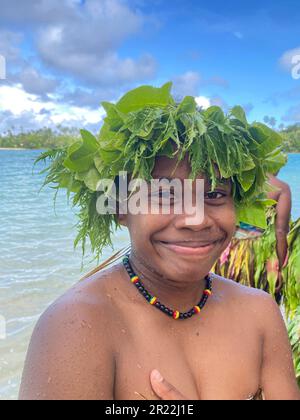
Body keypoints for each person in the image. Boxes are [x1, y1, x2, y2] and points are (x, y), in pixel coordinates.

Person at [19, 84, 300, 400]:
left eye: (214, 194)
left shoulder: (260, 311)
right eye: (166, 194)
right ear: (121, 208)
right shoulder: (77, 326)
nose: (196, 219)